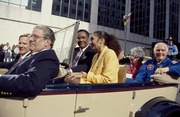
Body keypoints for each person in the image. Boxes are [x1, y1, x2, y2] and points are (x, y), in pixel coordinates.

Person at [0, 24, 59, 96]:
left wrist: (1, 78)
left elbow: (30, 83)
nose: (30, 39)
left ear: (47, 42)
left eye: (35, 37)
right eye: (31, 36)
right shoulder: (35, 55)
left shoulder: (47, 59)